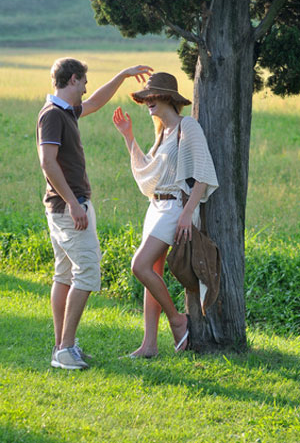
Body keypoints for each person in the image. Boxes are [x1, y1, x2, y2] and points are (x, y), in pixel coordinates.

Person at [36, 57, 153, 369]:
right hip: (68, 208)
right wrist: (74, 203)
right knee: (87, 273)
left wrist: (123, 75)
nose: (86, 87)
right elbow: (48, 162)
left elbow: (97, 101)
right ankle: (65, 349)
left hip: (63, 207)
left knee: (63, 275)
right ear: (73, 79)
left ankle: (62, 347)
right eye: (84, 81)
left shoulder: (65, 111)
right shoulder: (52, 116)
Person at [113, 72, 219, 357]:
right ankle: (149, 345)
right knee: (152, 271)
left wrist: (187, 214)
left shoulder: (188, 127)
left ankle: (176, 319)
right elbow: (147, 171)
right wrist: (128, 136)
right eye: (145, 98)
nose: (148, 101)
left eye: (153, 96)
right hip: (156, 207)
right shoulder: (162, 134)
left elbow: (204, 176)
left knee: (140, 265)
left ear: (168, 98)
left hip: (175, 208)